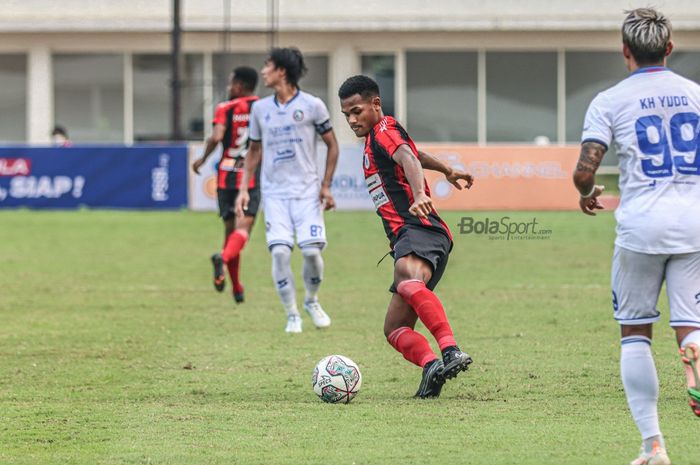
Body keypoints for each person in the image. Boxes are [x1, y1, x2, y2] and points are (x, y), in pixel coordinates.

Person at [573, 8, 700, 465]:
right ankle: (693, 349)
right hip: (694, 224)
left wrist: (588, 193)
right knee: (691, 322)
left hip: (641, 227)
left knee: (635, 333)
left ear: (625, 51)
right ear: (669, 49)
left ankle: (653, 447)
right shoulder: (695, 95)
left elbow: (584, 170)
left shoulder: (610, 100)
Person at [338, 75, 474, 398]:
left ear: (376, 104)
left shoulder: (383, 128)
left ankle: (450, 349)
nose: (352, 120)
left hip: (418, 229)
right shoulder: (377, 140)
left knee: (406, 278)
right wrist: (447, 170)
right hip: (410, 238)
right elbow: (416, 153)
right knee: (394, 328)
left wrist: (417, 195)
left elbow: (409, 159)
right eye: (346, 115)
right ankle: (431, 367)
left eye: (357, 111)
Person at [235, 47, 339, 333]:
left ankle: (312, 301)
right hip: (275, 194)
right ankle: (291, 313)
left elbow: (332, 144)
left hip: (308, 193)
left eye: (267, 66)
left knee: (311, 254)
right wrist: (244, 188)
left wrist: (326, 186)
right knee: (280, 253)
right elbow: (254, 150)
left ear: (282, 70)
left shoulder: (313, 105)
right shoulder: (260, 109)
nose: (263, 72)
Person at [192, 66, 260, 304]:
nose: (229, 88)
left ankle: (236, 288)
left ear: (240, 86)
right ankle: (223, 259)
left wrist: (202, 158)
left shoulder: (225, 108)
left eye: (231, 83)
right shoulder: (263, 108)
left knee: (230, 232)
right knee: (242, 232)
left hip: (225, 176)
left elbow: (216, 136)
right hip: (248, 176)